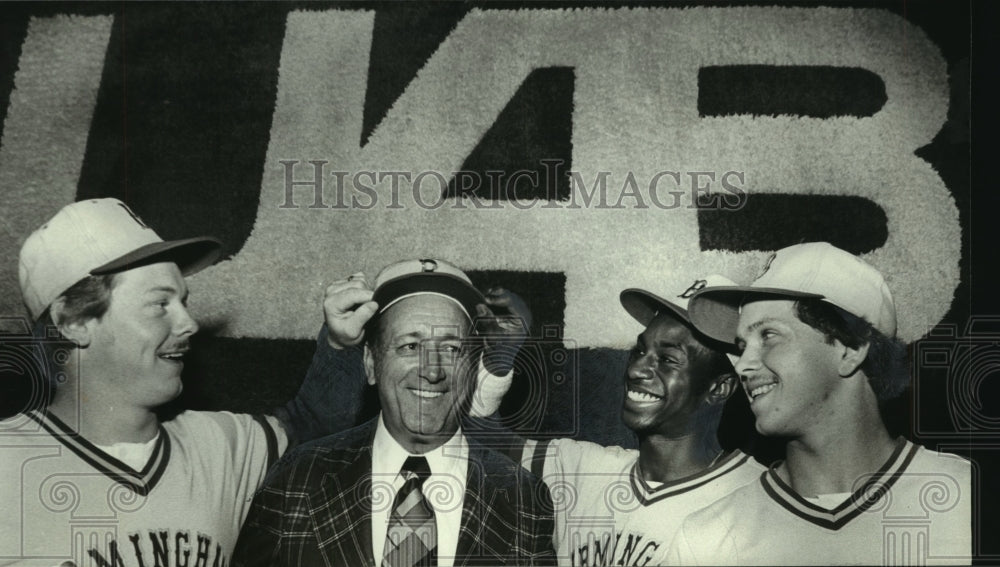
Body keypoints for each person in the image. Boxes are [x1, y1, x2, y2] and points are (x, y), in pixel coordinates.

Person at [314, 272, 765, 566]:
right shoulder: (586, 469)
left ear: (720, 388)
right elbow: (464, 436)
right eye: (639, 350)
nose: (637, 368)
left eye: (667, 359)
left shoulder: (760, 503)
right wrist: (500, 361)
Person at [0, 198, 355, 567]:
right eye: (160, 304)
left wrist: (340, 345)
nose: (189, 323)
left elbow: (316, 427)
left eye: (183, 301)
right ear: (73, 322)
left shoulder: (220, 446)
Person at [230, 258, 556, 566]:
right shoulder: (298, 477)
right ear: (371, 364)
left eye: (451, 349)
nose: (432, 371)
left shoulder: (522, 496)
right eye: (410, 347)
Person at [668, 242, 972, 565]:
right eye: (742, 346)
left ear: (850, 349)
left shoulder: (969, 500)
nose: (742, 365)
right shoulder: (708, 539)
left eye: (768, 335)